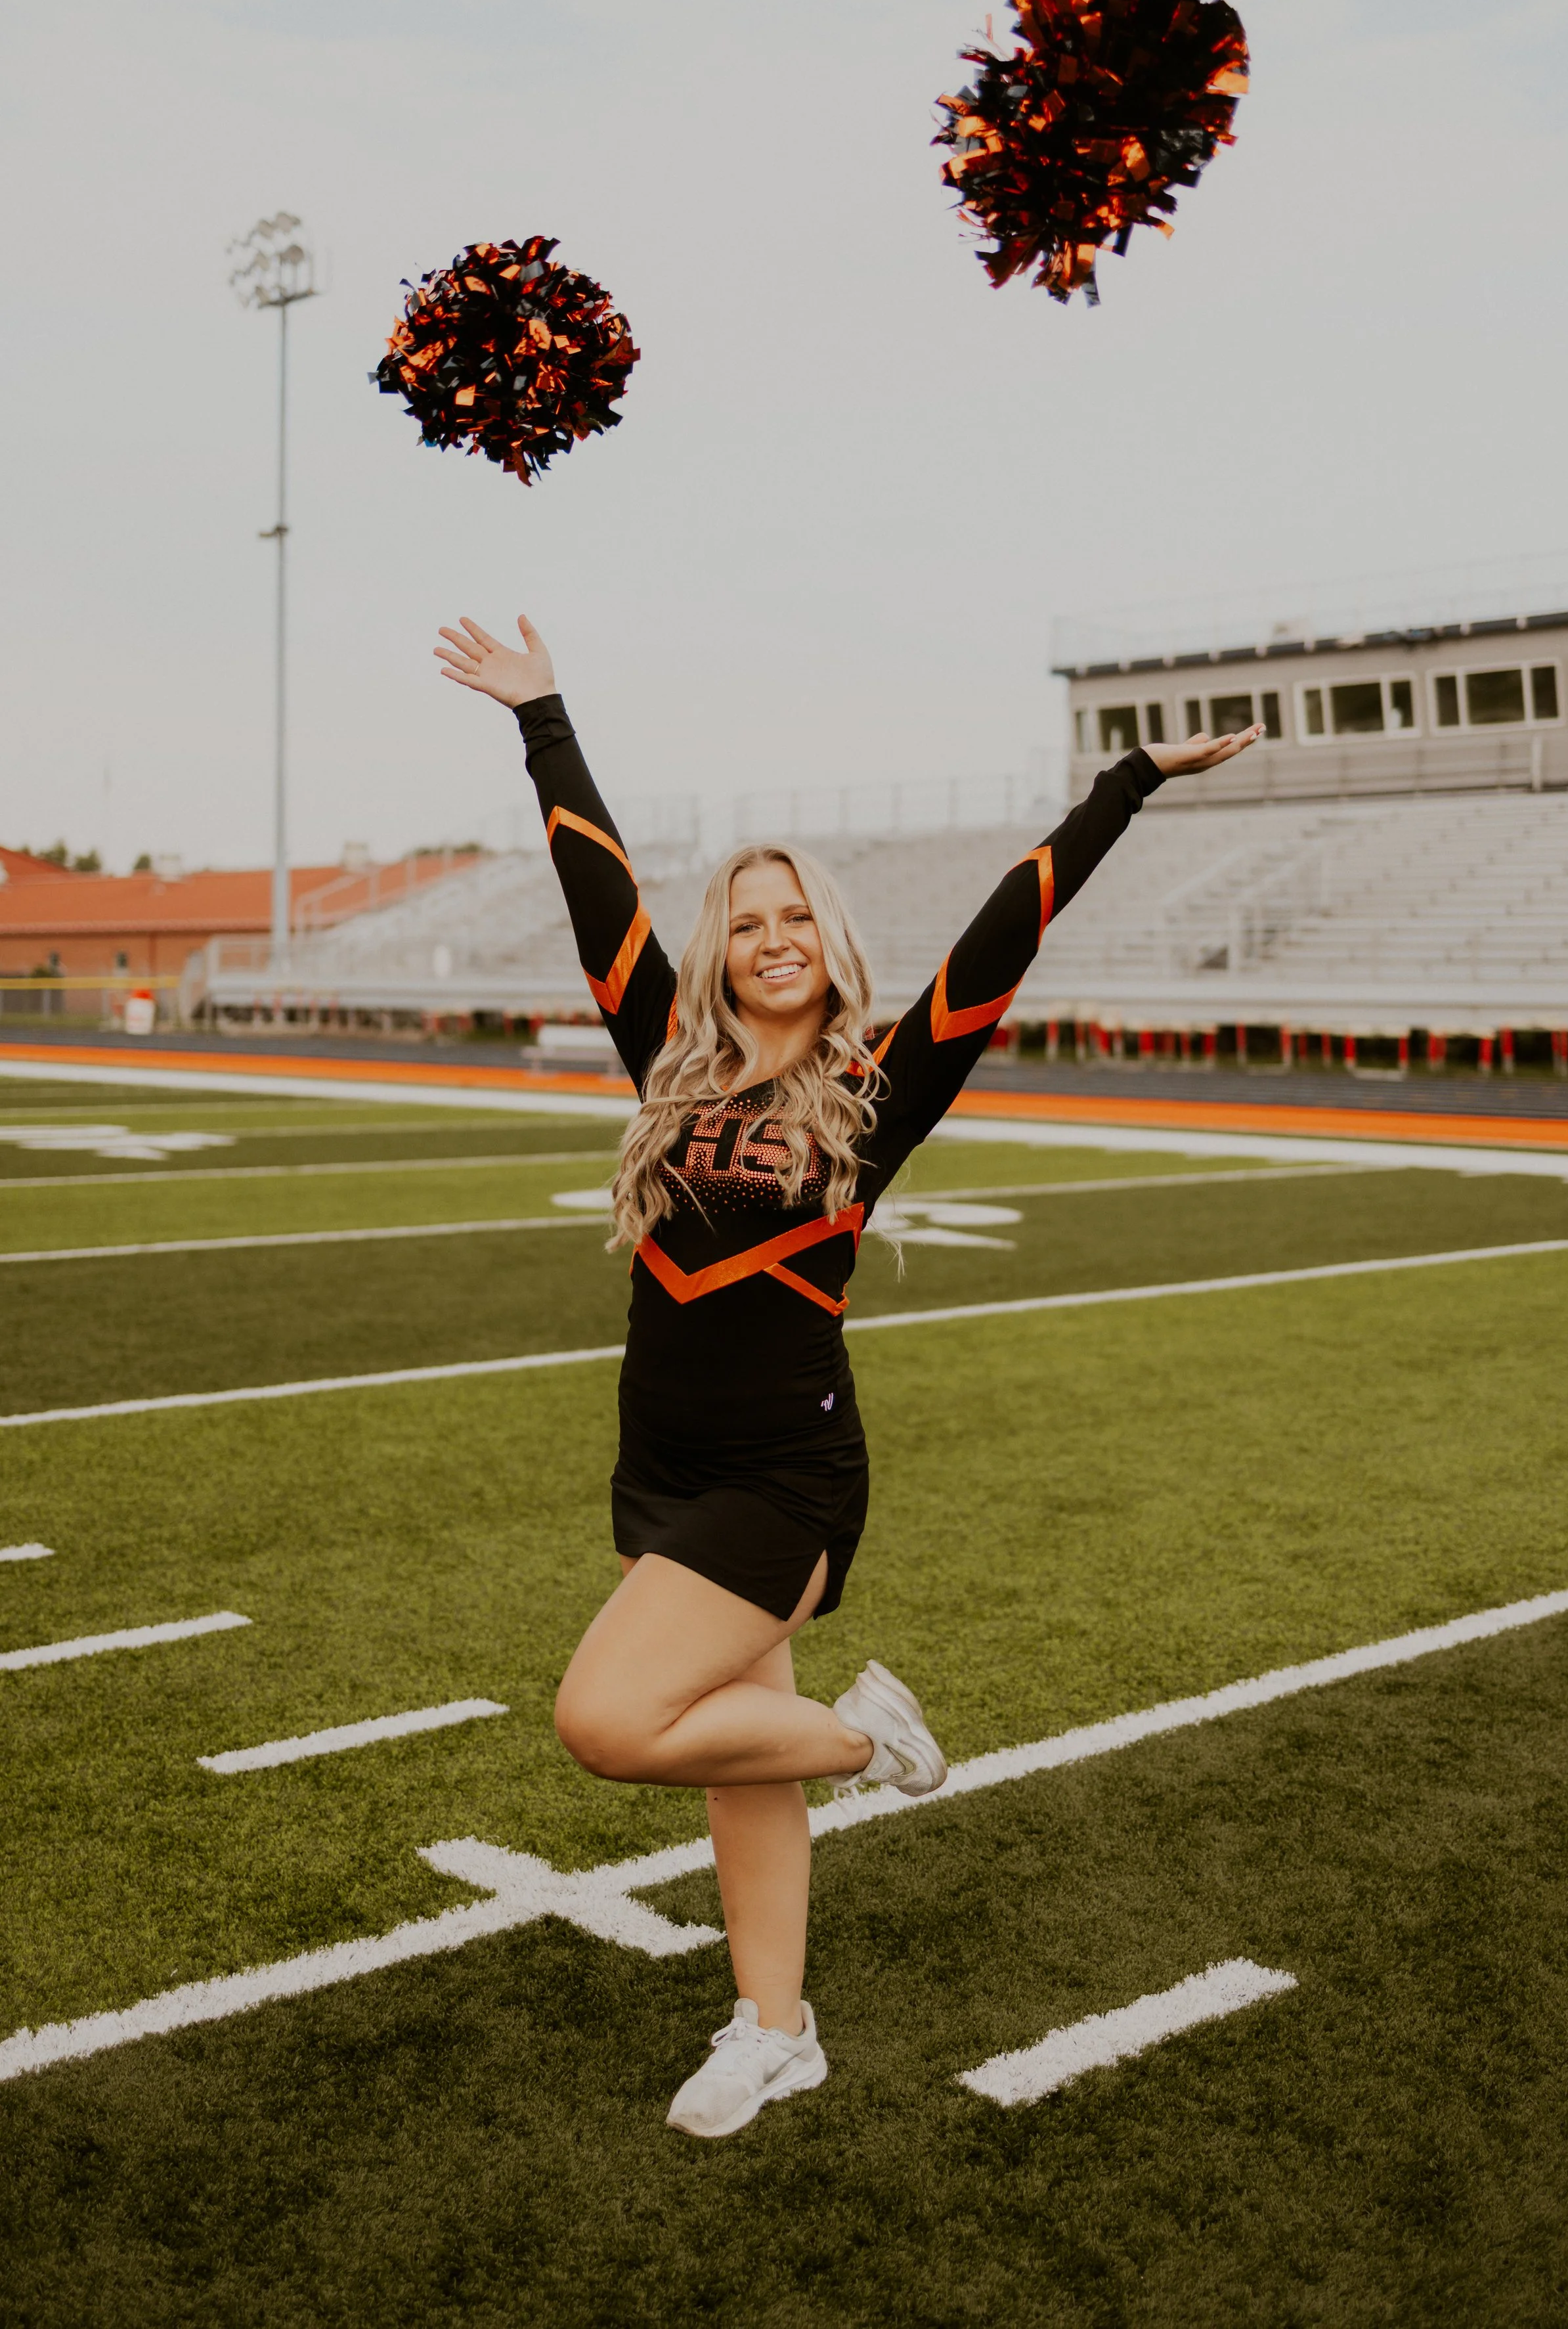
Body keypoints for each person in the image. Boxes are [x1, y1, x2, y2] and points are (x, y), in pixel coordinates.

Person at [435, 613, 1261, 2137]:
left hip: (781, 1479)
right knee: (730, 1764)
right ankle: (774, 2027)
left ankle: (871, 1742)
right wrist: (542, 712)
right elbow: (592, 883)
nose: (768, 937)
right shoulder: (664, 1060)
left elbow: (1002, 934)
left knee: (608, 1720)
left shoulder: (874, 1094)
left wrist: (1126, 780)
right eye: (744, 918)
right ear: (718, 949)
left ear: (827, 944)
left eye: (792, 917)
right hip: (659, 1466)